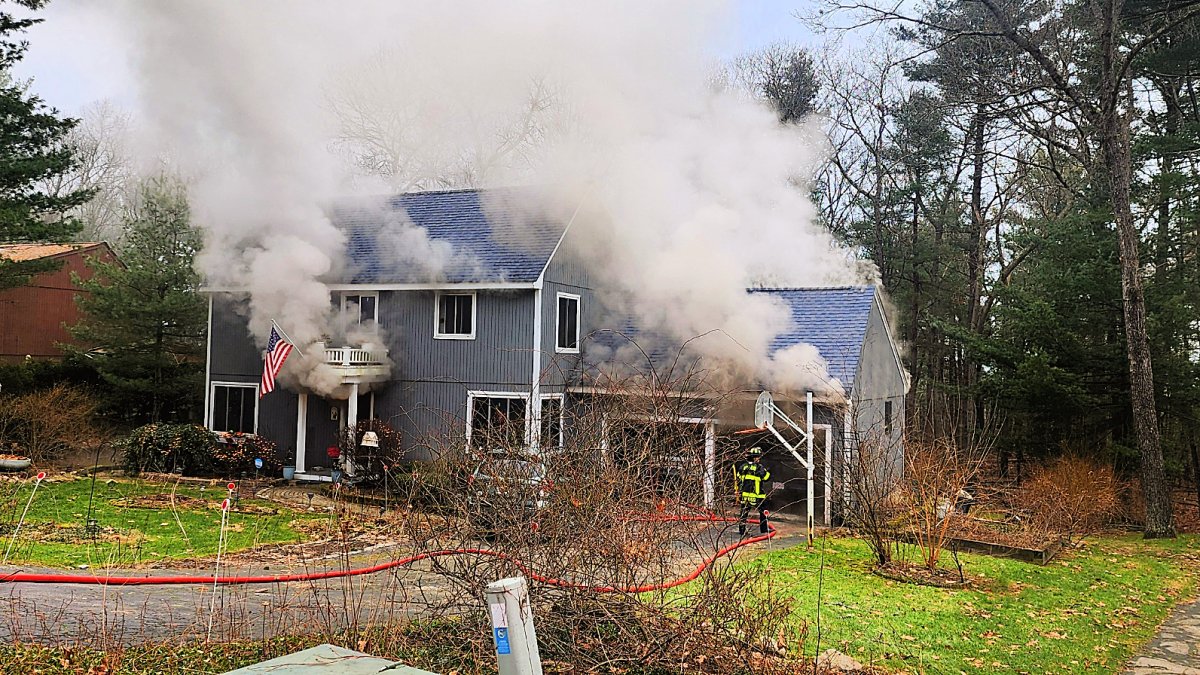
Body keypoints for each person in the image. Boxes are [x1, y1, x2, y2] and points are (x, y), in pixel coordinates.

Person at [734, 446, 771, 536]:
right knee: (763, 512)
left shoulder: (743, 467)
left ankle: (741, 530)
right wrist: (767, 471)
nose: (759, 459)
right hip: (757, 495)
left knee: (744, 513)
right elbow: (766, 477)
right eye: (758, 457)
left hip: (745, 495)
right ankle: (764, 529)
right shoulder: (759, 467)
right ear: (755, 457)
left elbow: (738, 477)